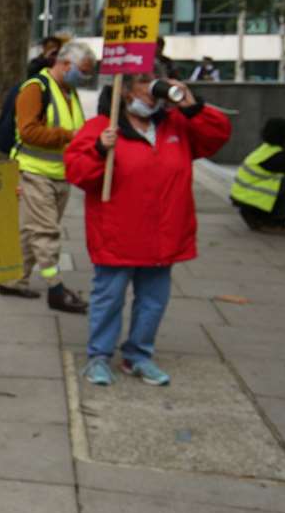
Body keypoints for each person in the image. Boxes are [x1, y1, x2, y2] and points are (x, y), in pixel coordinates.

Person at [64, 74, 231, 386]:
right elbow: (77, 172)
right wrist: (100, 149)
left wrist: (192, 107)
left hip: (163, 236)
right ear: (125, 91)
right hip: (117, 234)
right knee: (109, 297)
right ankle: (99, 356)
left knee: (153, 300)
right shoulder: (101, 128)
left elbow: (216, 138)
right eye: (144, 82)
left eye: (156, 81)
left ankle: (139, 355)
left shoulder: (177, 125)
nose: (153, 89)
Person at [0, 40, 96, 313]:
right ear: (65, 64)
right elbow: (28, 131)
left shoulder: (68, 90)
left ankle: (12, 280)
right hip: (34, 172)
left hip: (59, 174)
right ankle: (55, 287)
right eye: (83, 71)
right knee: (46, 232)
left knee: (30, 230)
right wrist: (71, 136)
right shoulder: (35, 88)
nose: (85, 77)